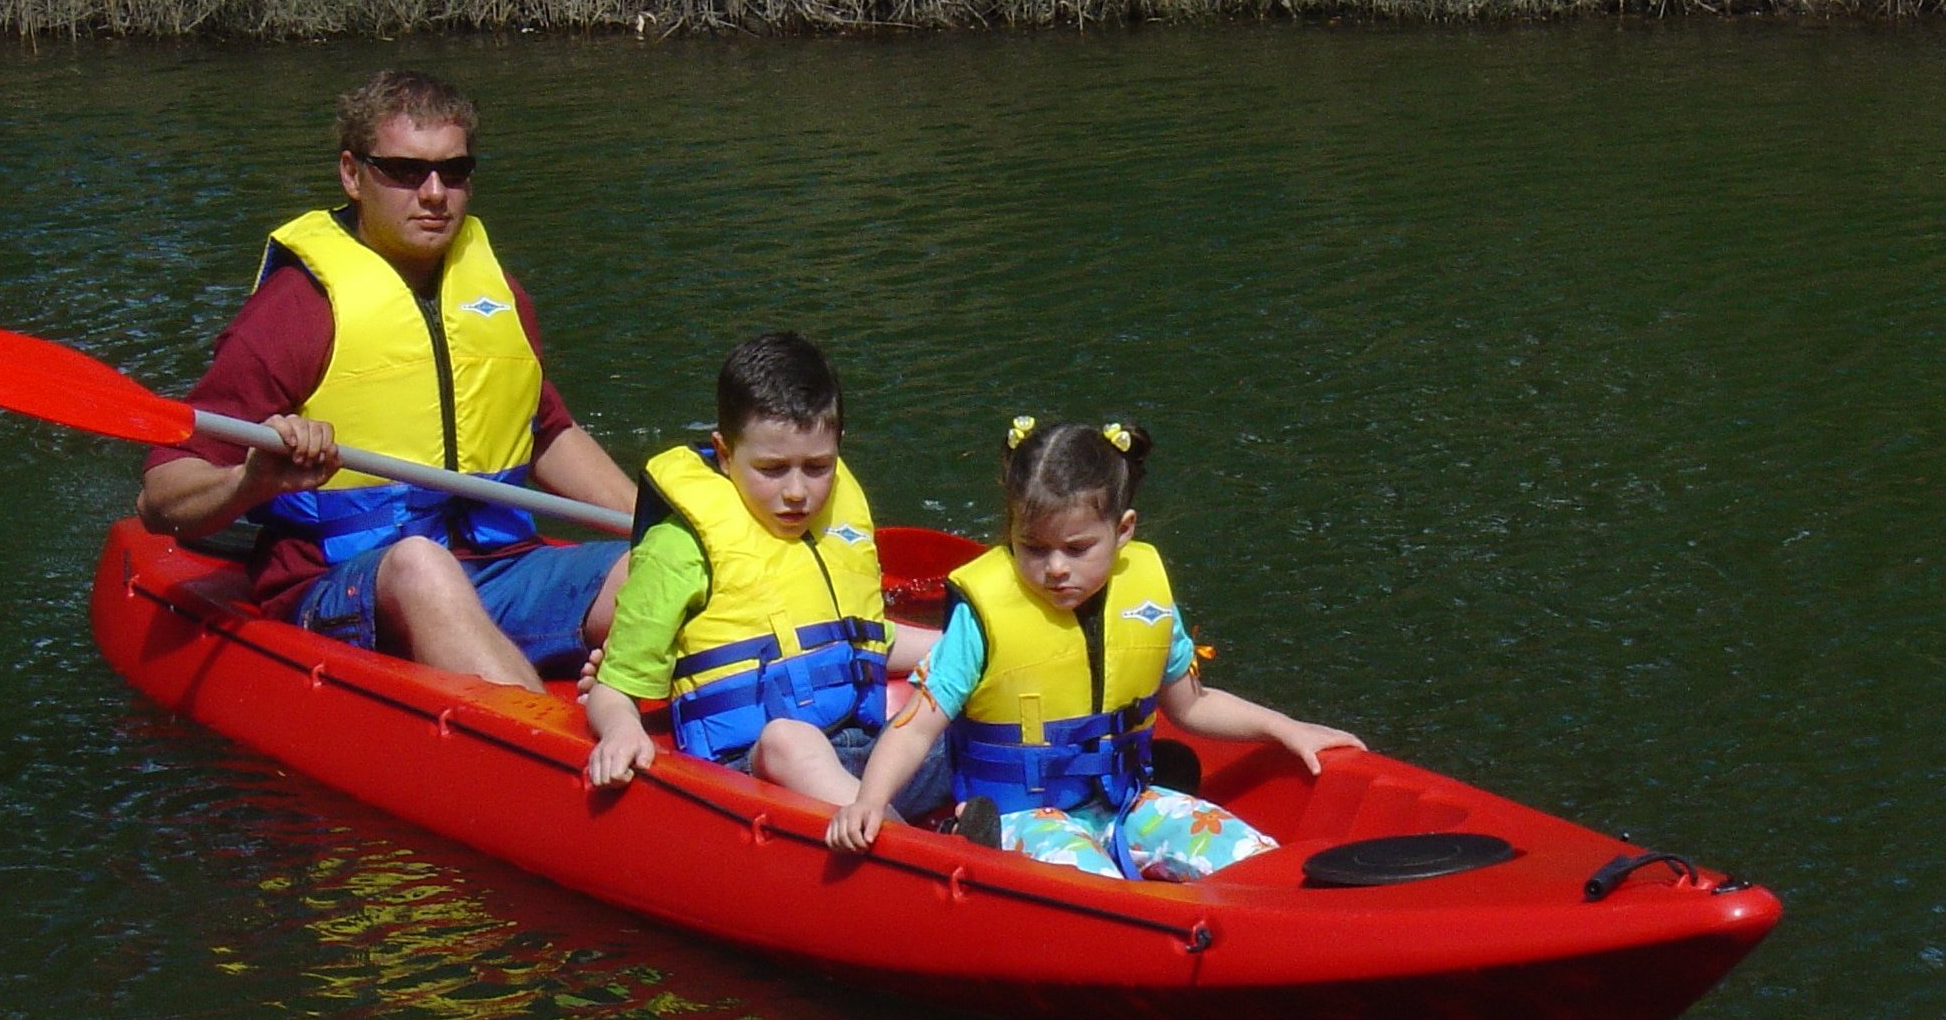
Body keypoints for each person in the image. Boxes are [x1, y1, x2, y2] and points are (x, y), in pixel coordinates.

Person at [137, 68, 635, 689]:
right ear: (352, 174)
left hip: (504, 568)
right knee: (421, 566)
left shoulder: (497, 296)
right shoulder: (295, 311)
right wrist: (251, 480)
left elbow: (546, 432)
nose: (433, 193)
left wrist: (664, 528)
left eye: (453, 172)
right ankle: (545, 754)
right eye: (404, 171)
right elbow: (160, 499)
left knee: (658, 570)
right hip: (341, 586)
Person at [826, 417, 1364, 880]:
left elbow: (1193, 705)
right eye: (1033, 548)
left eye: (1077, 548)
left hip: (1124, 802)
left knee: (1252, 857)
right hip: (1018, 815)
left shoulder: (1145, 597)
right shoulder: (982, 616)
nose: (1056, 567)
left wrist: (1287, 729)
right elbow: (917, 725)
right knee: (1100, 885)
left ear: (1123, 529)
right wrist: (870, 800)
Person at [584, 333, 950, 817]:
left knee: (968, 707)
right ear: (724, 450)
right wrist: (621, 728)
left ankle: (1007, 825)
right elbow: (612, 687)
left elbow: (868, 641)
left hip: (864, 753)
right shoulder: (679, 550)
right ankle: (906, 847)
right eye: (773, 469)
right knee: (788, 740)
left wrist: (970, 648)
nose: (797, 492)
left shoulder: (835, 525)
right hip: (758, 768)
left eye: (817, 467)